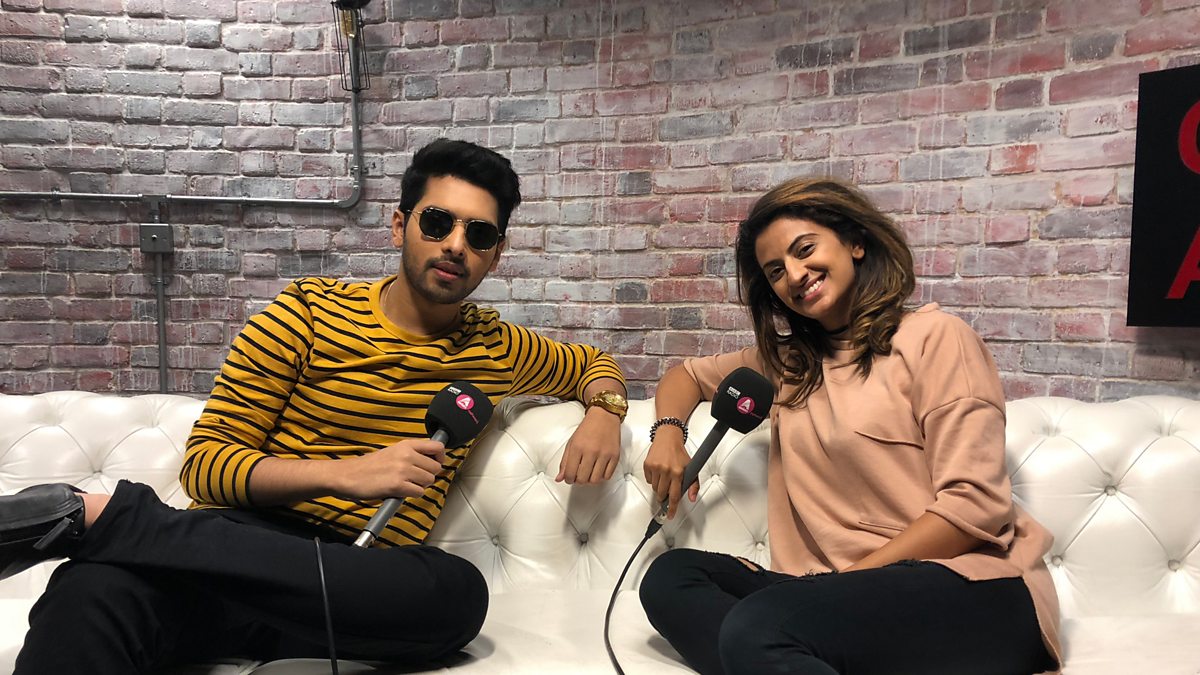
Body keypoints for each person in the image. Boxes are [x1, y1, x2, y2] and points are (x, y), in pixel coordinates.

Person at [0, 139, 629, 674]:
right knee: (90, 588)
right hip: (235, 552)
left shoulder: (498, 348)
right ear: (400, 225)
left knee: (458, 595)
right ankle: (108, 527)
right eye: (438, 222)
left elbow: (595, 366)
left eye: (479, 234)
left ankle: (111, 521)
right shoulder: (307, 312)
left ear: (497, 253)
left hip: (353, 588)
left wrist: (605, 413)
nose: (455, 245)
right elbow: (207, 467)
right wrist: (348, 474)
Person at [640, 177, 1060, 675]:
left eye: (805, 250)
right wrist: (669, 434)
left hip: (972, 588)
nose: (795, 275)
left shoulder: (936, 339)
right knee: (670, 577)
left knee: (758, 627)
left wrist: (833, 591)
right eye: (776, 271)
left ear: (855, 243)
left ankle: (779, 650)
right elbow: (685, 377)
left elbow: (974, 506)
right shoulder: (788, 365)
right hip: (833, 596)